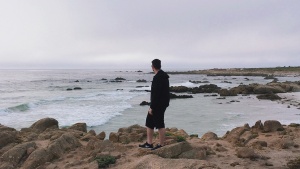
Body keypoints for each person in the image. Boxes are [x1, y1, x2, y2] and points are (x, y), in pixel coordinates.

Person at [139, 59, 170, 150]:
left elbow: (156, 94)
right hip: (162, 103)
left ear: (153, 67)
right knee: (149, 122)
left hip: (158, 104)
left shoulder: (158, 77)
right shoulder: (163, 76)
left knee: (160, 124)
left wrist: (152, 107)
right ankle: (149, 143)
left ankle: (161, 145)